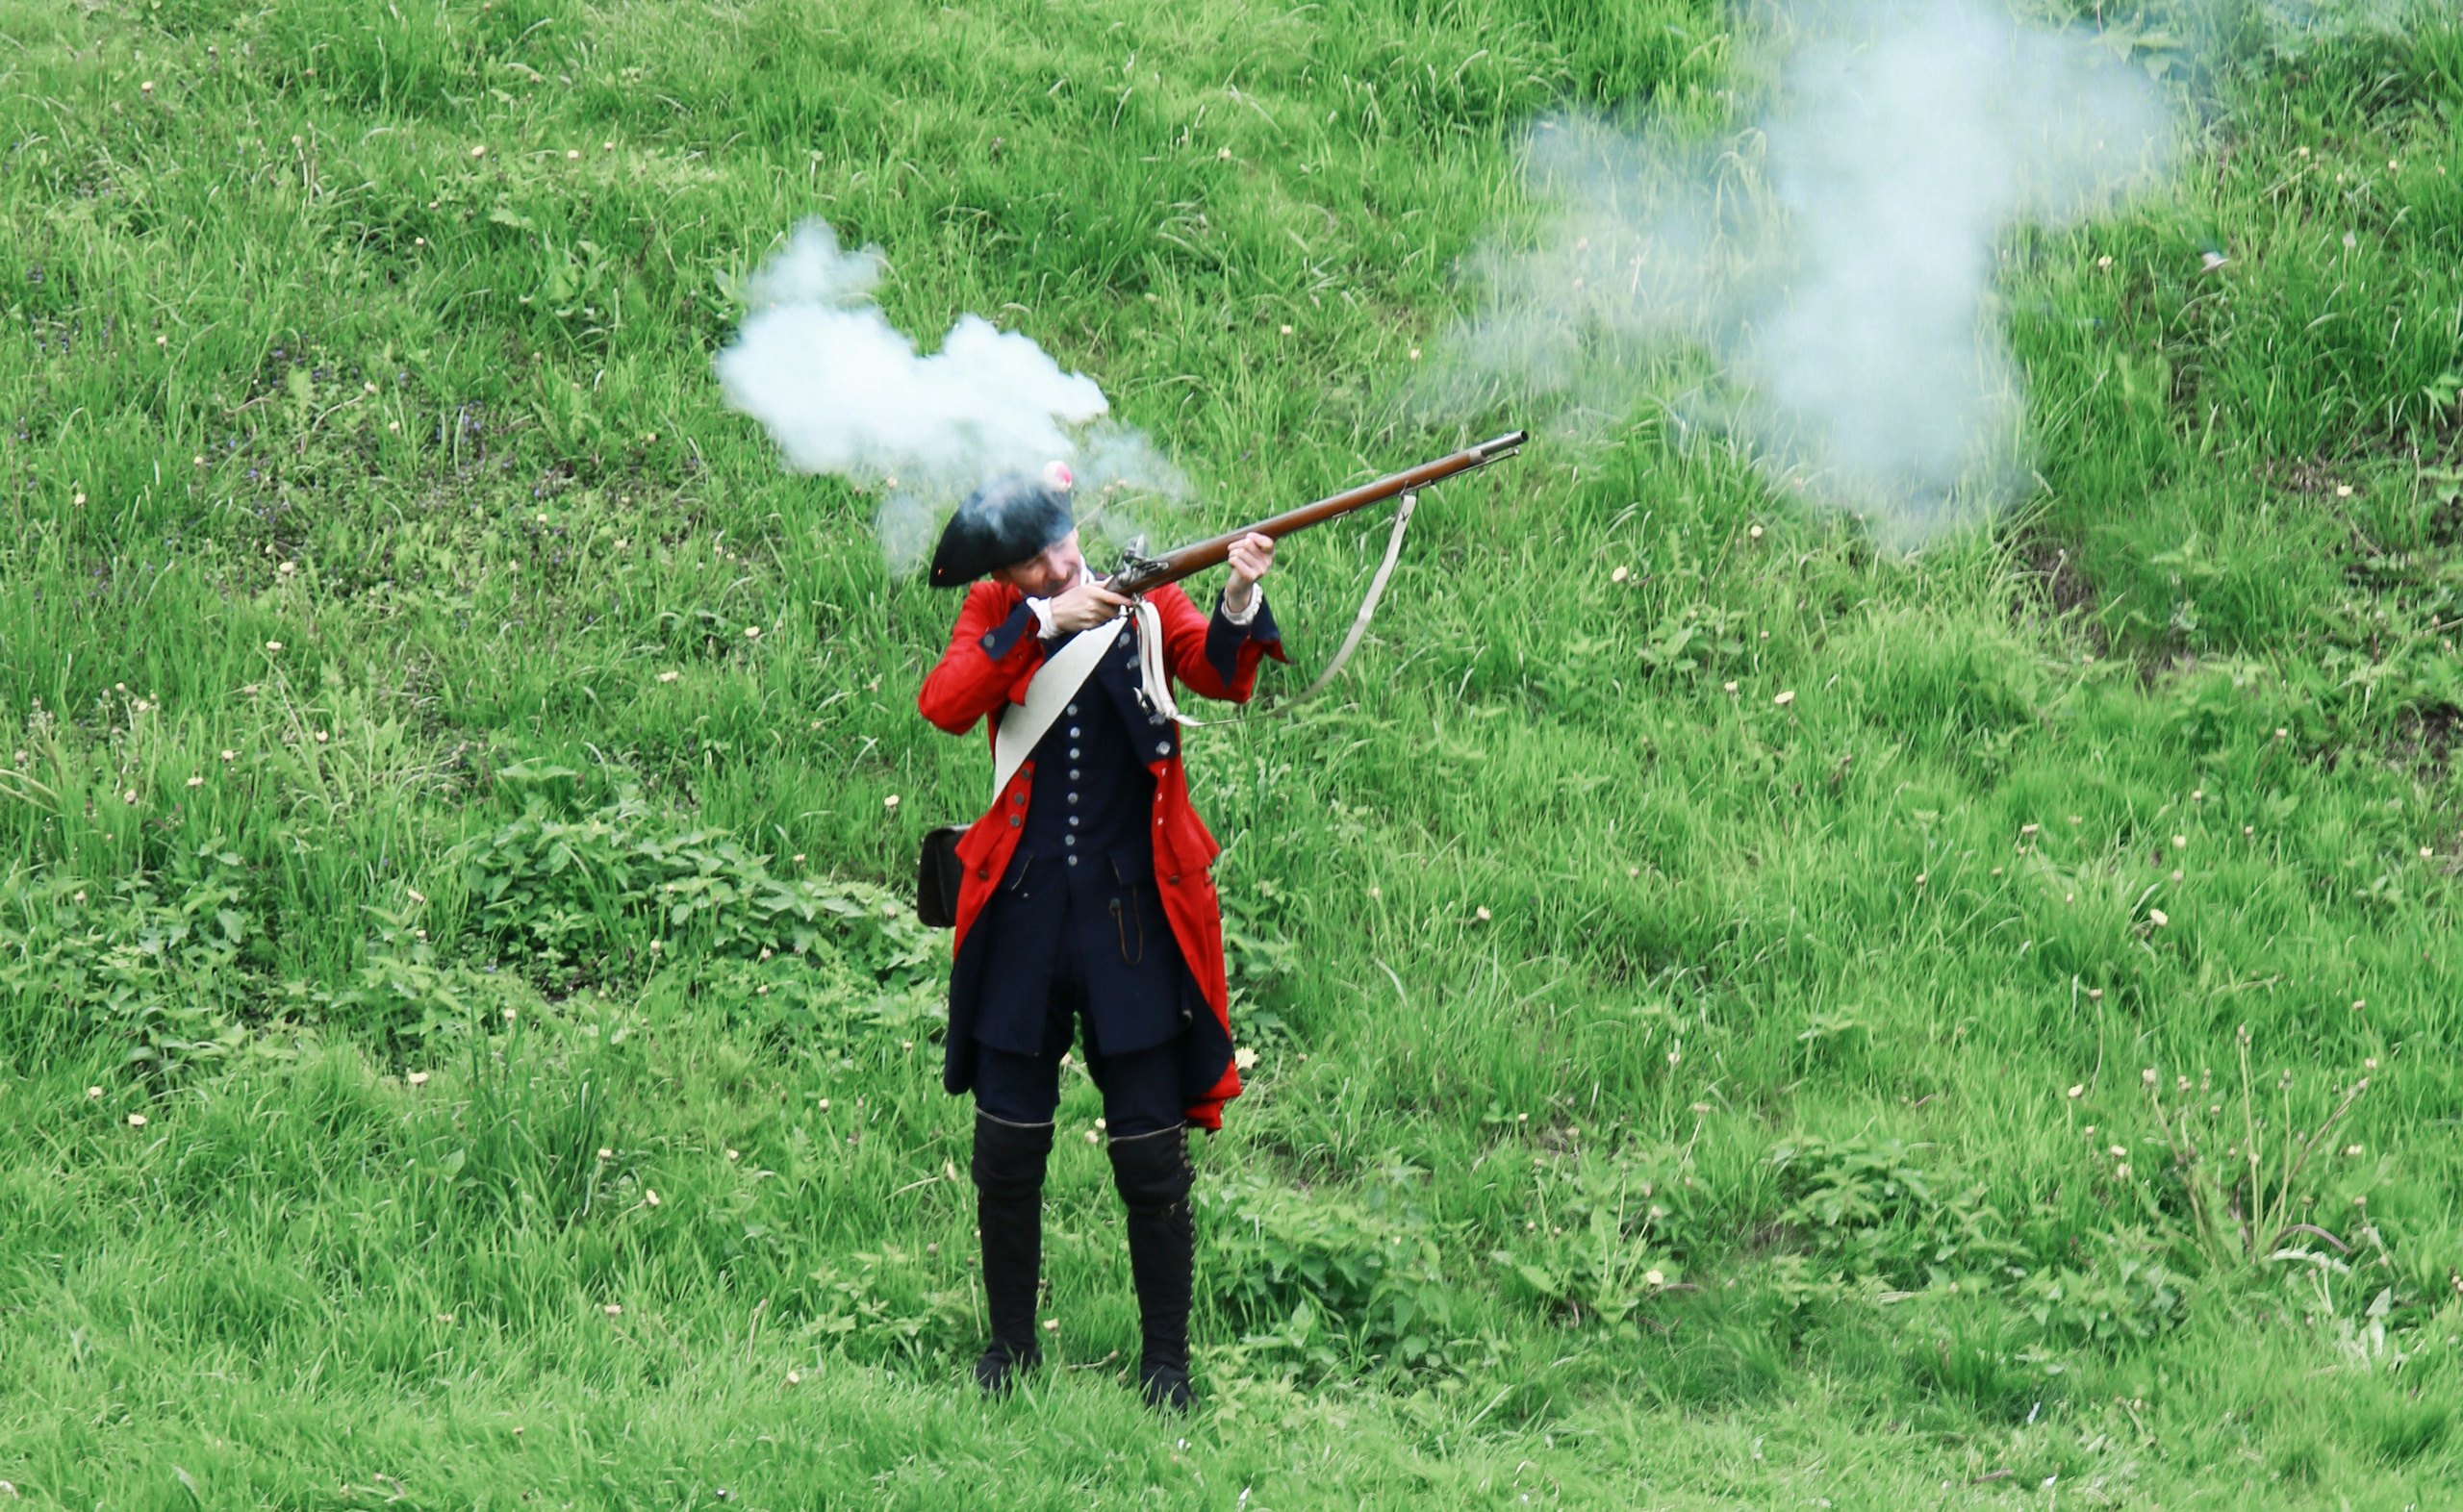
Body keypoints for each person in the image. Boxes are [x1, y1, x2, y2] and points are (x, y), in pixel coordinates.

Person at [916, 463, 1284, 1410]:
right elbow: (946, 701)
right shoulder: (1004, 616)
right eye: (1035, 562)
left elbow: (1218, 671)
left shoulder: (1146, 594)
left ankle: (1166, 1365)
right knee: (1006, 1145)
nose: (1056, 564)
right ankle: (1008, 1351)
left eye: (1060, 546)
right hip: (1024, 913)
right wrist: (1040, 624)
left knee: (1150, 1156)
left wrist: (1239, 590)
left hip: (1131, 916)